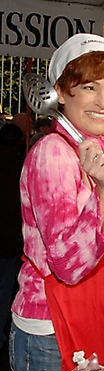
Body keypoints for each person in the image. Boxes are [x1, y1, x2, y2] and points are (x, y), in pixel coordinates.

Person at [10, 33, 104, 371]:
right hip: (50, 327)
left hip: (102, 316)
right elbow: (67, 265)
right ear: (60, 93)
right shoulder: (51, 154)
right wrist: (103, 192)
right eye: (89, 87)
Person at [0, 124, 24, 351]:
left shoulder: (18, 169)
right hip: (8, 241)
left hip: (8, 241)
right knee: (4, 292)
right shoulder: (18, 169)